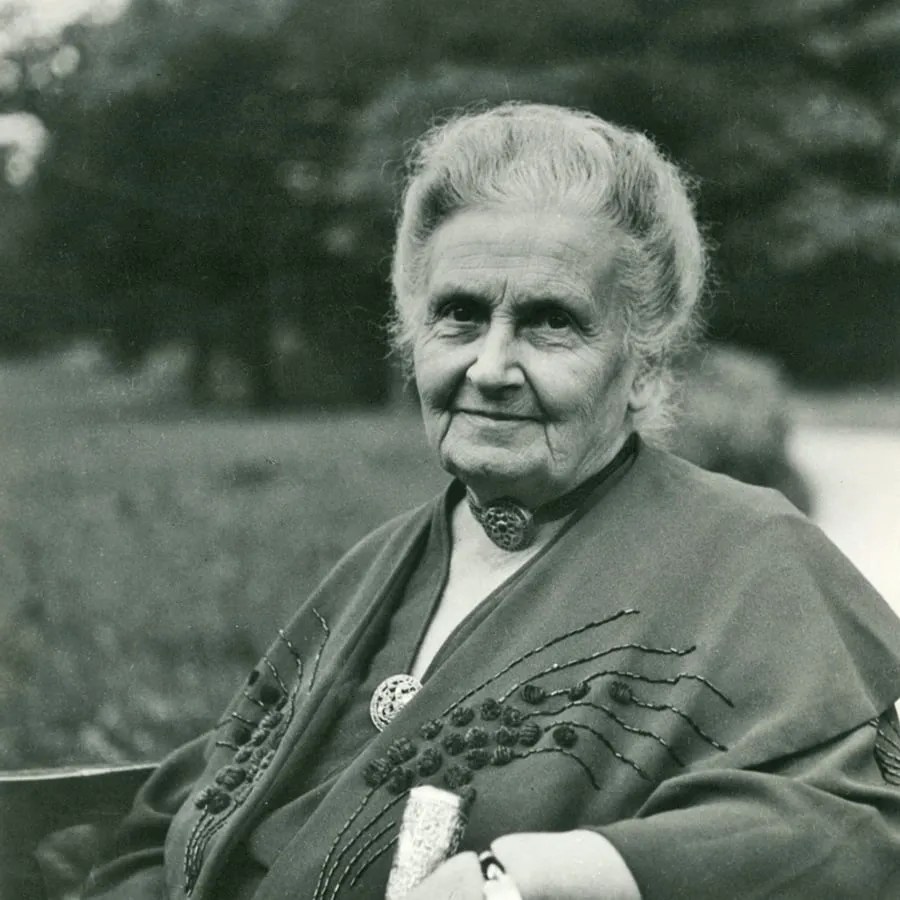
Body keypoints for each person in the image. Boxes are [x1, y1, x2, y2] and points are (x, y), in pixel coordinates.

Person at [84, 103, 900, 900]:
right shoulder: (378, 567)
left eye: (551, 323)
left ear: (645, 367)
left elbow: (850, 830)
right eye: (460, 316)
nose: (490, 367)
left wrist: (539, 878)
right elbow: (193, 807)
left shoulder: (751, 554)